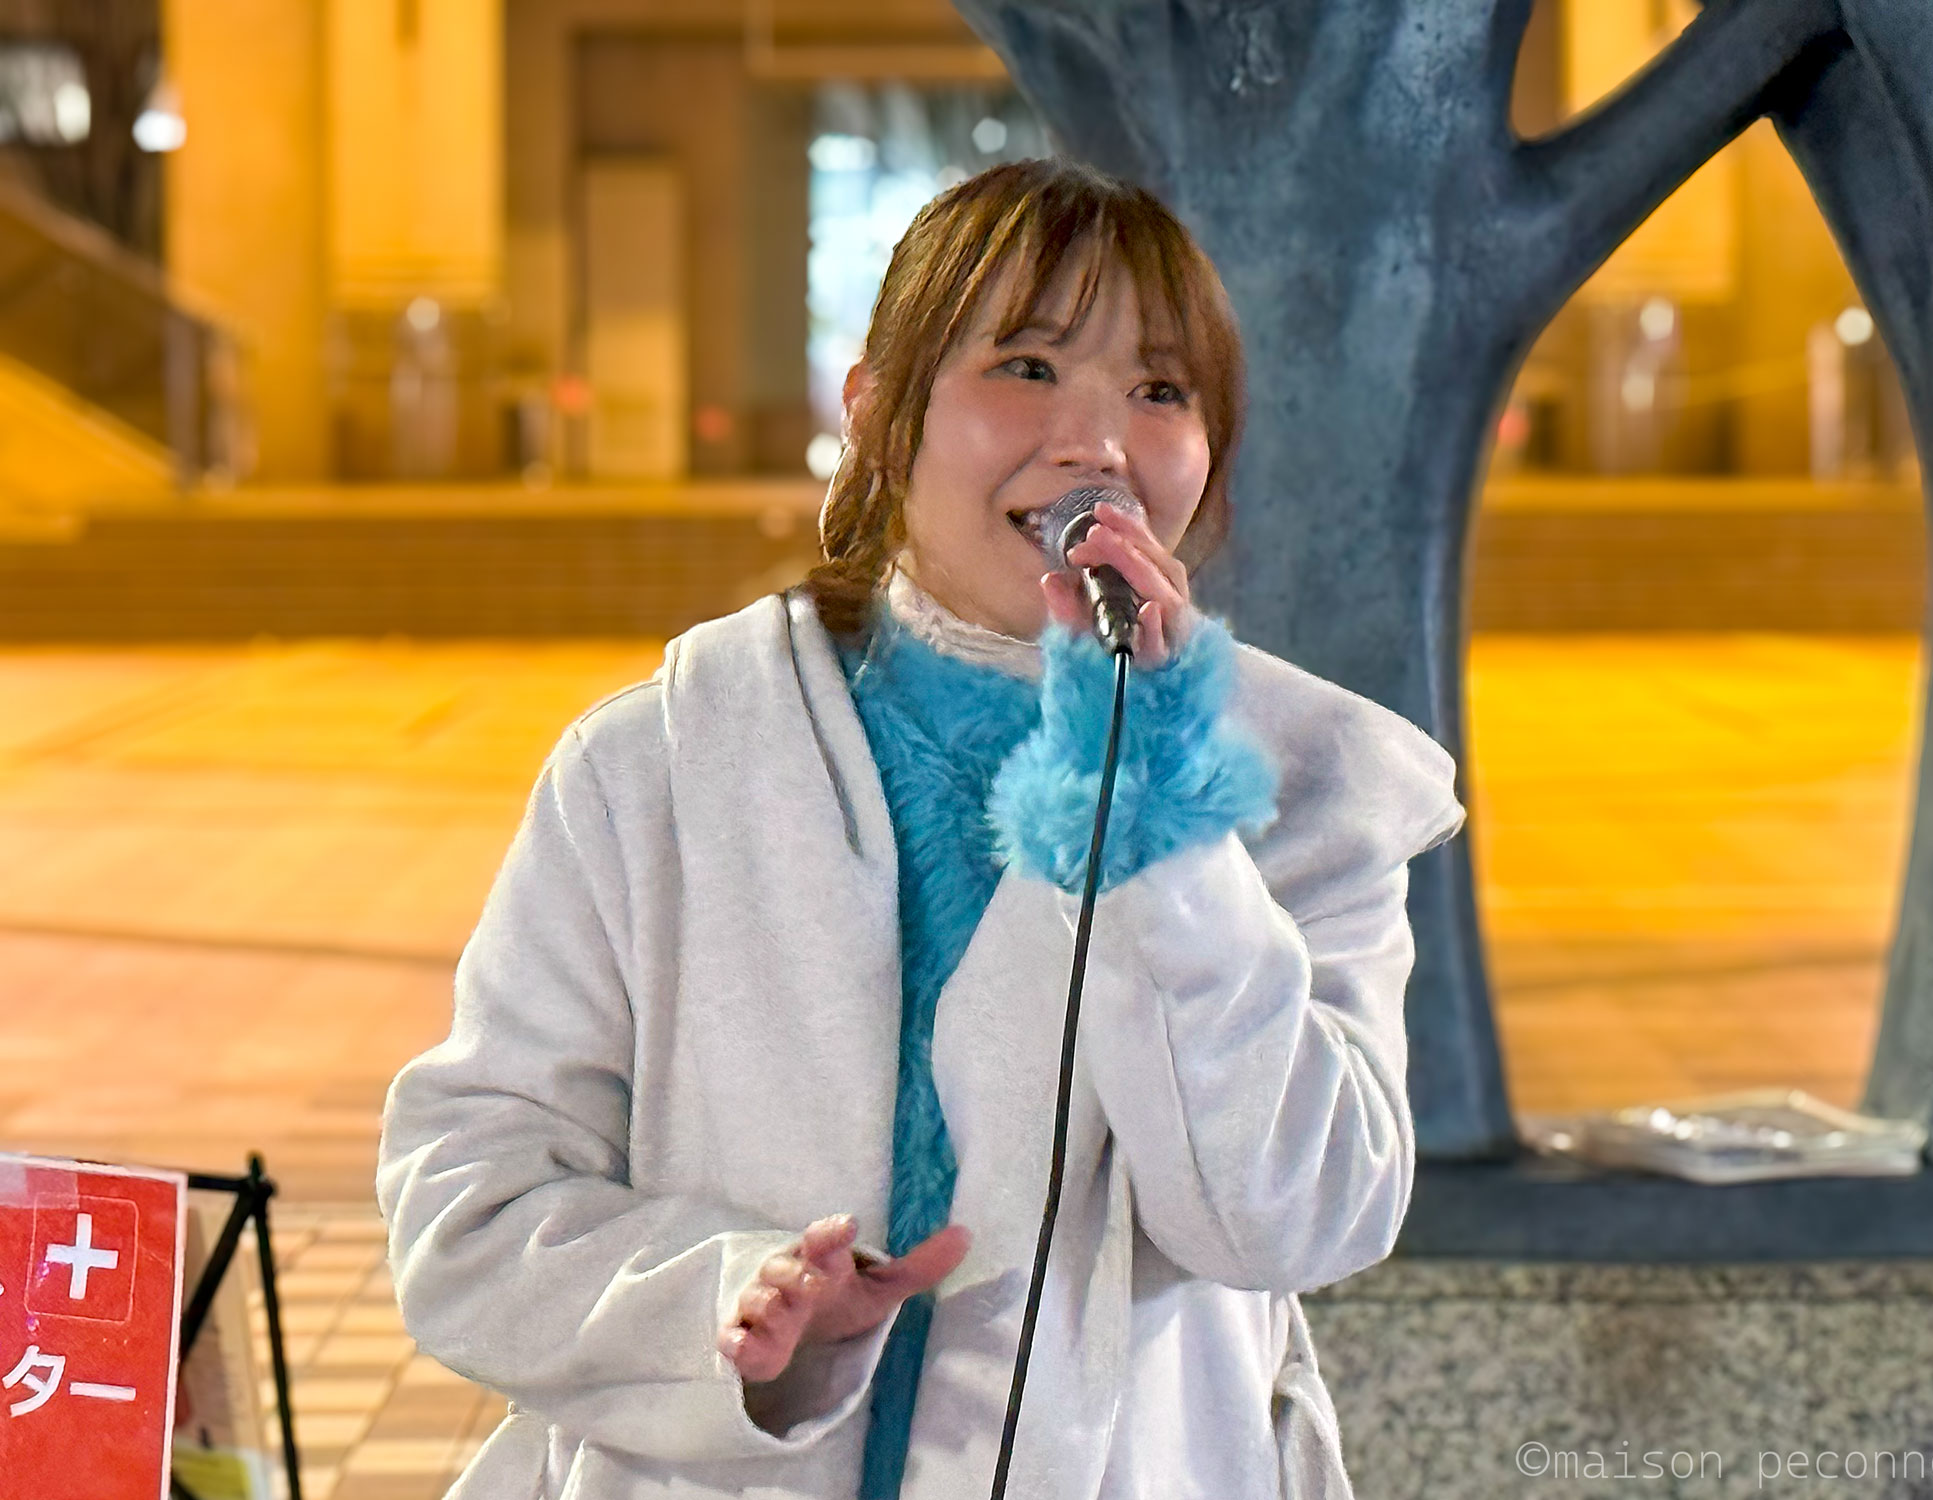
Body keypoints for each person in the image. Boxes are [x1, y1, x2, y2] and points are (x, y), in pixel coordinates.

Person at [376, 157, 1465, 1500]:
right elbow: (471, 1200)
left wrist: (1168, 821)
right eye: (1027, 366)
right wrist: (727, 1314)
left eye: (1161, 390)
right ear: (882, 414)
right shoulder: (657, 767)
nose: (1098, 443)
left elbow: (1306, 1217)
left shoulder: (1306, 789)